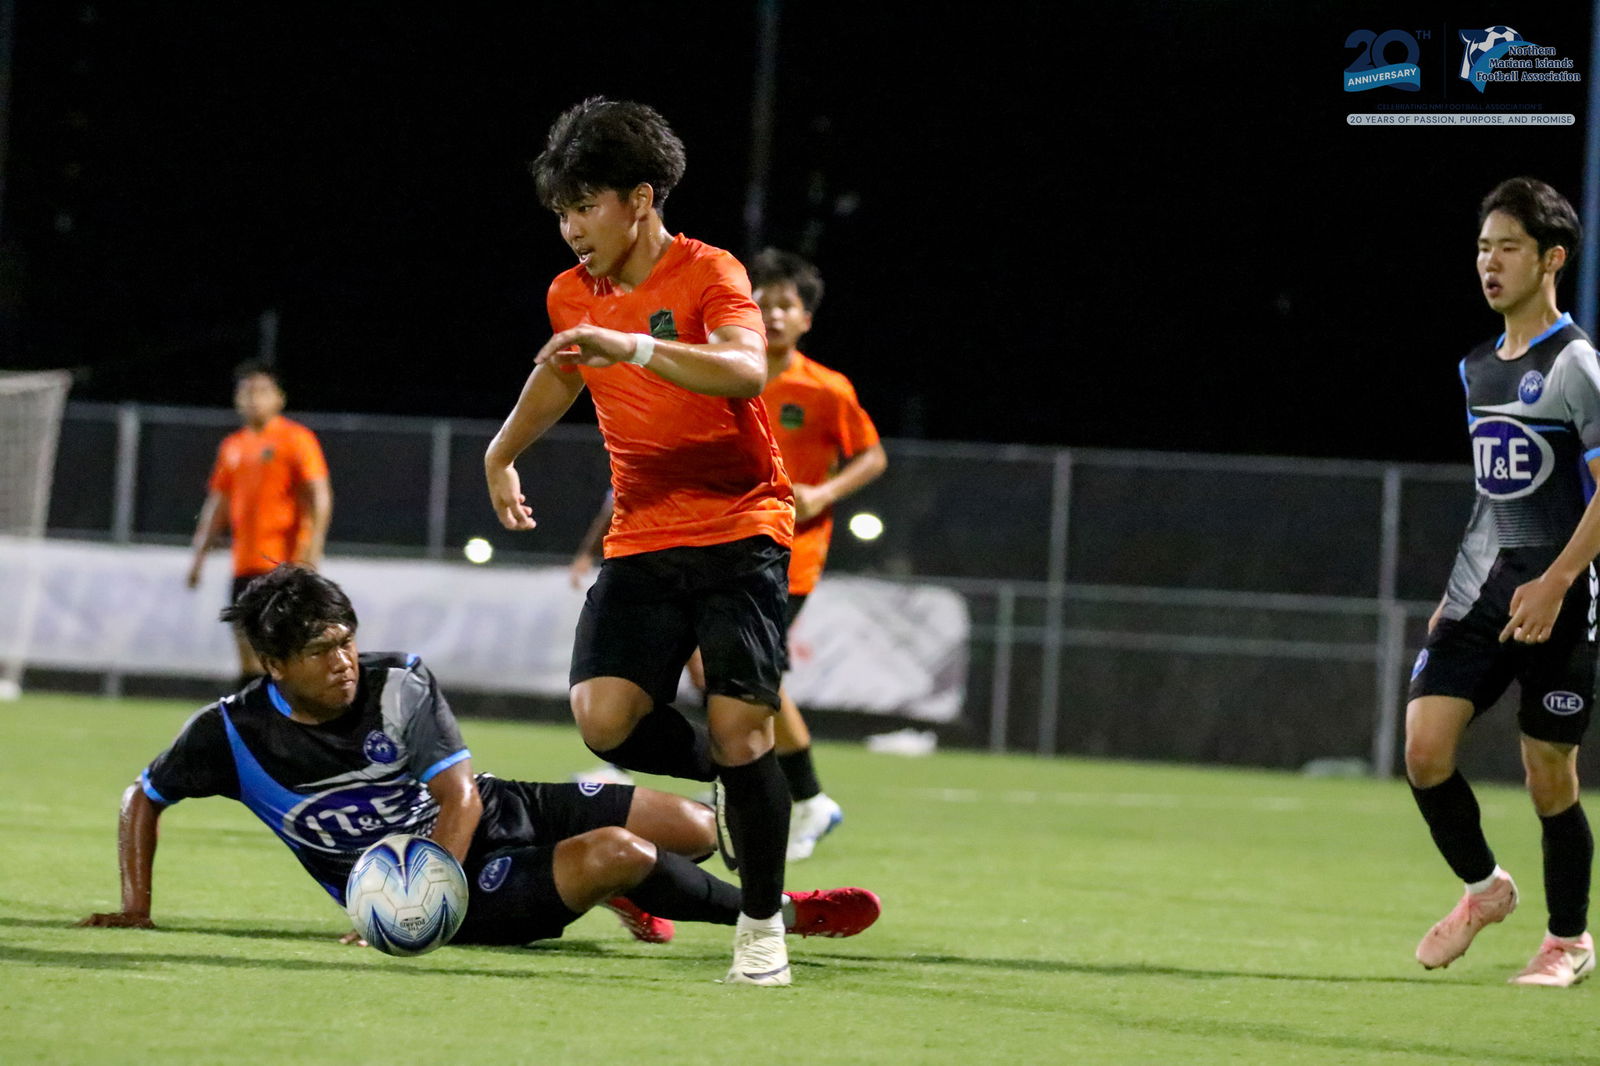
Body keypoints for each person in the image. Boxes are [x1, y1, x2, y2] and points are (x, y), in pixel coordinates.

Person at [77, 566, 882, 956]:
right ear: (273, 665)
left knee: (696, 826)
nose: (345, 661)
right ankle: (781, 913)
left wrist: (425, 887)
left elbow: (460, 801)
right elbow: (141, 796)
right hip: (436, 890)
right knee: (623, 853)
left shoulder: (400, 681)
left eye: (348, 640)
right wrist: (136, 905)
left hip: (479, 823)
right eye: (323, 652)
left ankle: (615, 891)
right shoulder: (229, 733)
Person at [483, 97, 804, 985]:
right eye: (560, 213)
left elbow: (744, 367)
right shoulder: (570, 293)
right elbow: (559, 377)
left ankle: (762, 931)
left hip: (741, 525)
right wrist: (502, 453)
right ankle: (746, 791)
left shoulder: (709, 272)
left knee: (743, 731)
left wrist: (634, 348)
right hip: (644, 534)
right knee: (604, 717)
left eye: (585, 207)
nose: (571, 230)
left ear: (642, 197)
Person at [567, 249, 888, 862]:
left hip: (783, 551)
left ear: (806, 319)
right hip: (709, 539)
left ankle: (796, 796)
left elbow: (872, 455)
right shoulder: (707, 364)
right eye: (762, 301)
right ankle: (780, 790)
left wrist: (824, 491)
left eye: (786, 304)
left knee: (735, 680)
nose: (772, 312)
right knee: (719, 673)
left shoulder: (825, 389)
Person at [1406, 177, 1600, 987]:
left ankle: (1568, 941)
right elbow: (1496, 492)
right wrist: (1457, 588)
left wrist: (1556, 582)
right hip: (1484, 590)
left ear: (1551, 259)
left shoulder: (1577, 364)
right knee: (1424, 751)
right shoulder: (1476, 367)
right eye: (1484, 247)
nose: (1490, 262)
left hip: (1561, 595)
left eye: (1508, 247)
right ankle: (1485, 889)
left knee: (1547, 773)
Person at [186, 361, 332, 689]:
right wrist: (198, 558)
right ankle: (261, 731)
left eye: (262, 391)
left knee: (280, 653)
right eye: (247, 392)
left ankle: (284, 728)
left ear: (280, 398)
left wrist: (312, 549)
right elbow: (217, 505)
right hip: (244, 566)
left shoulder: (296, 439)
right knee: (249, 657)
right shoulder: (232, 446)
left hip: (283, 565)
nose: (254, 399)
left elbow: (319, 495)